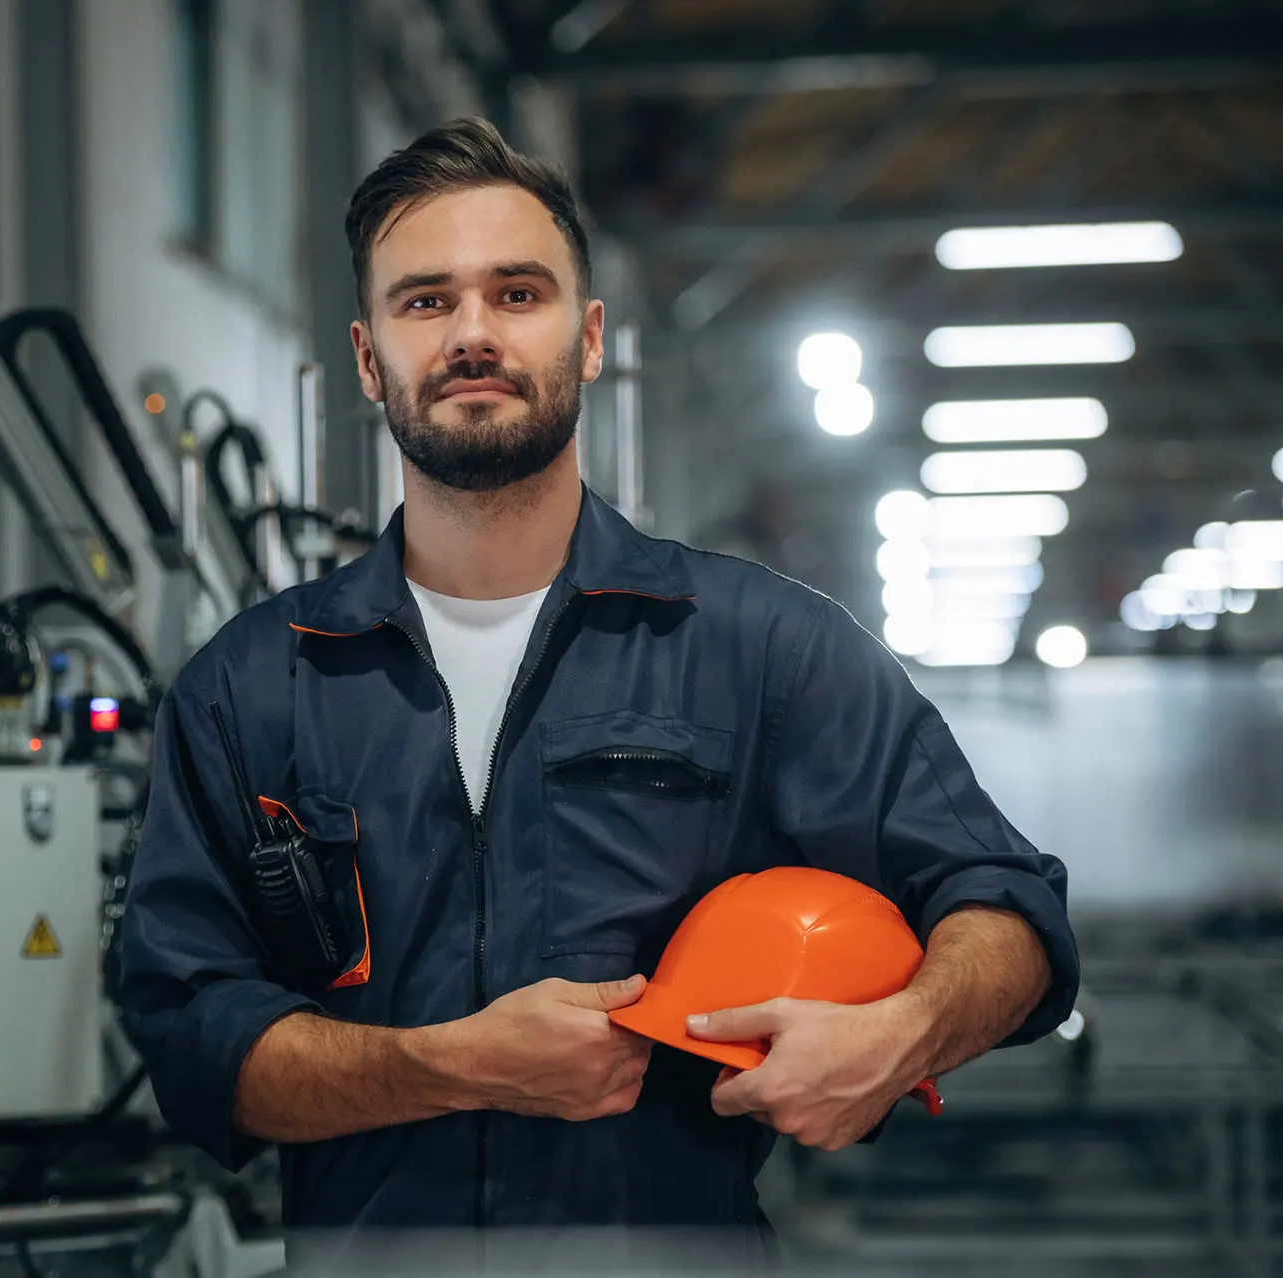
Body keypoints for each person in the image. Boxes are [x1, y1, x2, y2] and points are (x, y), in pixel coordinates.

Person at [117, 117, 1078, 1270]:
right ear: (370, 359)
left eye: (517, 293)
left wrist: (902, 1032)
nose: (474, 332)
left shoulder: (757, 648)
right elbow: (186, 1032)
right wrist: (455, 1063)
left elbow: (1009, 904)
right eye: (427, 302)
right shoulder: (254, 684)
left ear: (587, 339)